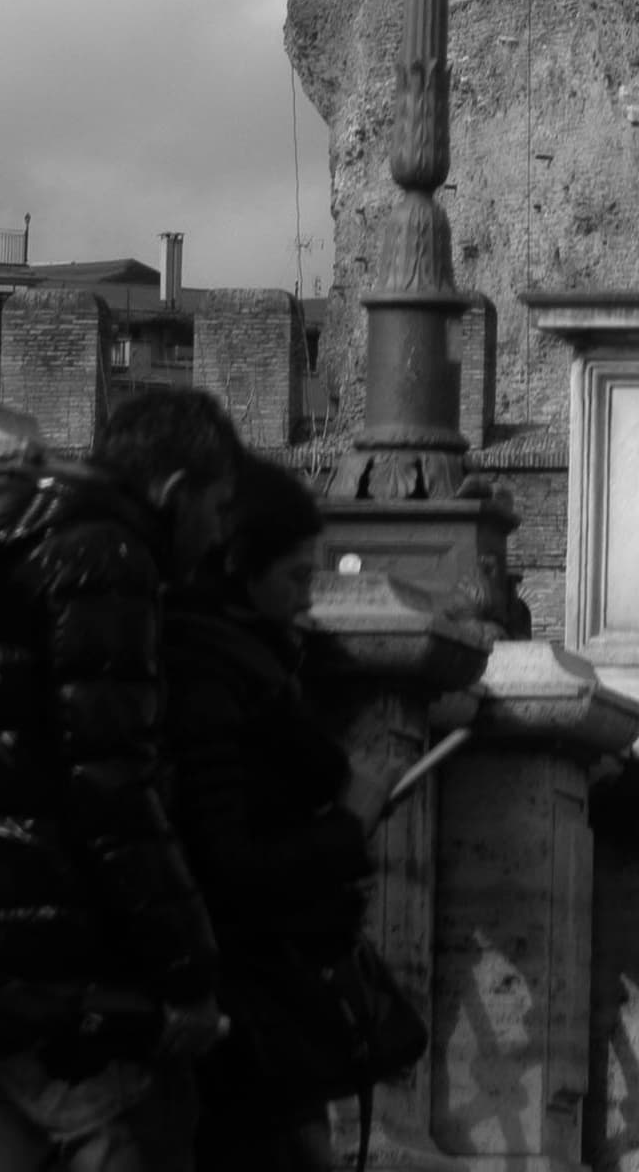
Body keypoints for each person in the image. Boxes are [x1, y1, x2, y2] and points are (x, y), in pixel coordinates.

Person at [0, 374, 238, 1171]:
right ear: (172, 489)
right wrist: (188, 966)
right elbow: (110, 779)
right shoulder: (105, 556)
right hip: (84, 973)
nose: (219, 537)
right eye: (219, 509)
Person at [162, 457, 378, 1172]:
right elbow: (228, 862)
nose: (306, 601)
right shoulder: (211, 674)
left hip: (263, 1002)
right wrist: (350, 822)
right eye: (295, 578)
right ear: (239, 568)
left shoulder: (245, 660)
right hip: (243, 1008)